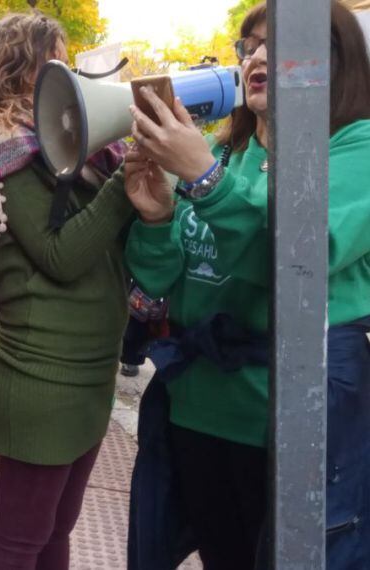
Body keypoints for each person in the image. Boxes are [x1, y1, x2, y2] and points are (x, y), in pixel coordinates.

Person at [124, 2, 370, 567]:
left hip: (298, 420)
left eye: (276, 42)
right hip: (199, 414)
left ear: (334, 61)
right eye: (249, 45)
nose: (257, 55)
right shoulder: (219, 151)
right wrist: (156, 221)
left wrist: (205, 184)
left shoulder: (354, 147)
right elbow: (161, 289)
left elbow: (303, 254)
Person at [0, 14, 132, 569]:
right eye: (56, 59)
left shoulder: (69, 148)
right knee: (22, 539)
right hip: (41, 374)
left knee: (55, 530)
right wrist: (126, 182)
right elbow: (61, 256)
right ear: (21, 69)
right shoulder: (2, 149)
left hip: (88, 370)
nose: (68, 73)